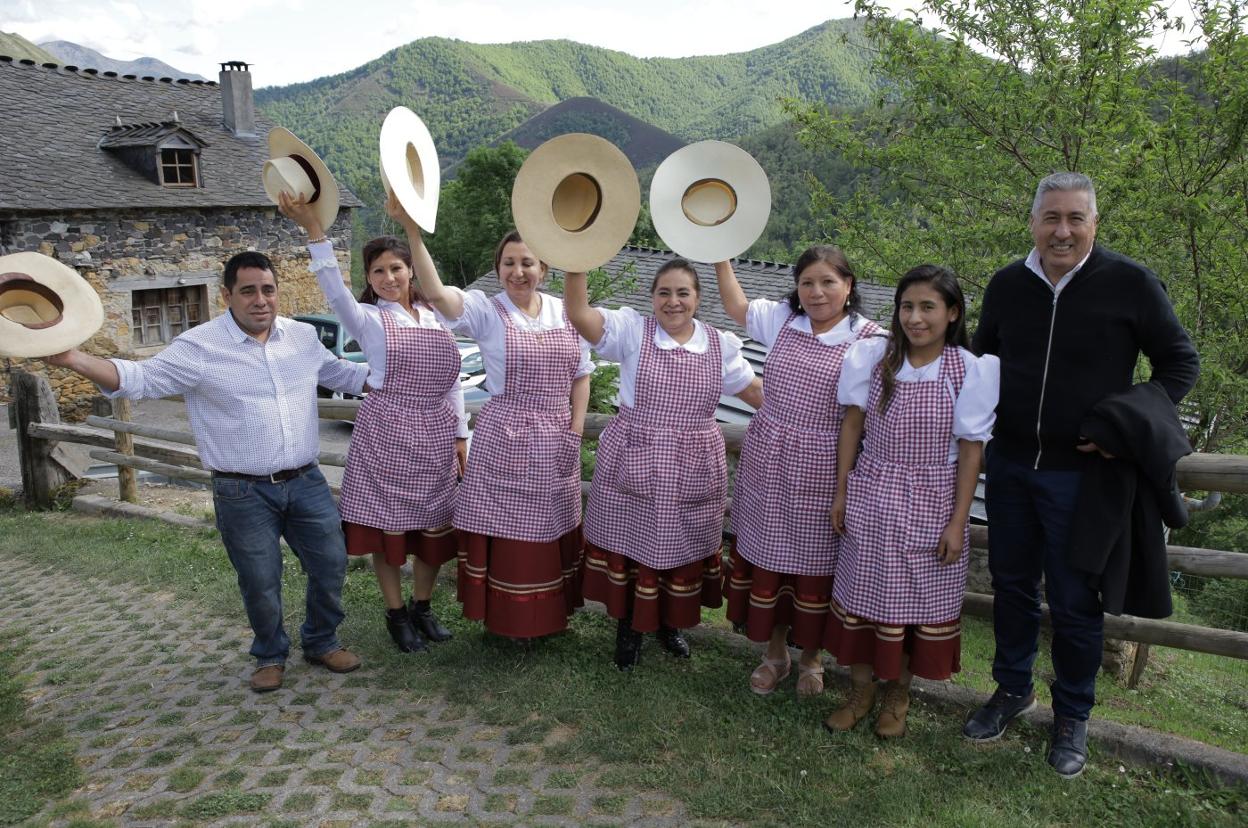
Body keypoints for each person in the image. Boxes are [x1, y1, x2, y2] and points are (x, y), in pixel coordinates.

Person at [45, 250, 369, 692]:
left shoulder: (302, 338)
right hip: (241, 490)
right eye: (248, 290)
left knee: (331, 563)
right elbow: (139, 379)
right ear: (227, 296)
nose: (261, 300)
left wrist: (407, 367)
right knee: (260, 580)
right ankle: (270, 654)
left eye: (268, 289)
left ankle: (321, 640)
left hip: (306, 480)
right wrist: (74, 360)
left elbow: (343, 374)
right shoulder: (199, 347)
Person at [965, 172, 1199, 778]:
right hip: (1011, 466)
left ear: (1094, 223)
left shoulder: (1131, 283)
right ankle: (1013, 689)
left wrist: (1129, 425)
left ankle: (1073, 715)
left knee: (1074, 602)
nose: (1062, 230)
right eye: (1051, 218)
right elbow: (982, 360)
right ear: (1034, 222)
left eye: (1075, 218)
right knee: (1012, 588)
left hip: (1083, 477)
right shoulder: (1008, 284)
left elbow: (1179, 363)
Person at [279, 192, 468, 653]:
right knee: (391, 531)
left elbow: (453, 383)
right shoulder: (367, 319)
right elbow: (332, 290)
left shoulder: (438, 318)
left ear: (411, 272)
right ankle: (396, 615)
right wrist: (315, 233)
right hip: (388, 433)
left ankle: (423, 607)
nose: (388, 278)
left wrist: (462, 434)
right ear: (369, 278)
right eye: (378, 271)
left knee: (432, 529)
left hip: (437, 435)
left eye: (396, 269)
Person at [398, 207, 595, 644]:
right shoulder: (488, 311)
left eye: (527, 262)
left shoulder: (568, 312)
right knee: (511, 533)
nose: (518, 271)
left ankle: (547, 619)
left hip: (557, 435)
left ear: (543, 268)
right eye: (509, 263)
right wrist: (413, 233)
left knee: (551, 527)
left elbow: (581, 374)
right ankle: (511, 622)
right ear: (498, 268)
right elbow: (435, 291)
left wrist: (577, 429)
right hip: (507, 434)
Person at [823, 265, 998, 738]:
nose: (915, 318)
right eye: (907, 306)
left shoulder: (969, 369)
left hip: (931, 500)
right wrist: (841, 490)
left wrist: (958, 522)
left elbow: (970, 451)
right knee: (861, 592)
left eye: (928, 307)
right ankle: (860, 692)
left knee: (913, 600)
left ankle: (897, 695)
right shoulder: (874, 359)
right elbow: (852, 427)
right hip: (873, 492)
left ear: (953, 312)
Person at [564, 259, 762, 670]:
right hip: (636, 454)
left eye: (683, 293)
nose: (673, 302)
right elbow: (580, 315)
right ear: (652, 298)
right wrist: (575, 258)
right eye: (664, 293)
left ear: (698, 298)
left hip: (692, 464)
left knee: (682, 545)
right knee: (631, 544)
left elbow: (755, 392)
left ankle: (668, 623)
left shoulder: (719, 344)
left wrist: (813, 414)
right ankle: (629, 628)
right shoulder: (633, 332)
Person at [715, 246, 883, 696]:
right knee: (770, 556)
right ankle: (774, 654)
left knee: (817, 564)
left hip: (826, 464)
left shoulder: (871, 340)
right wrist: (718, 251)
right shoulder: (784, 321)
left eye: (828, 281)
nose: (817, 291)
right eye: (807, 282)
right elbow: (735, 304)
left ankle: (812, 658)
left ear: (849, 286)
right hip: (768, 459)